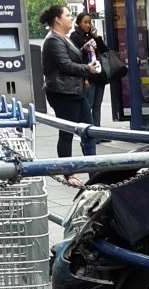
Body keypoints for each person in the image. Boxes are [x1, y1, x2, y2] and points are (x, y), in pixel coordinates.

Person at [40, 4, 99, 172]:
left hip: (75, 92)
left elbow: (70, 59)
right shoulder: (52, 39)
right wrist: (87, 69)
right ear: (57, 19)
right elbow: (65, 65)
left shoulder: (63, 38)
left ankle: (93, 170)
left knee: (89, 131)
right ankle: (67, 173)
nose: (70, 18)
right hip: (63, 93)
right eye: (67, 15)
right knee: (66, 134)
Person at [70, 13, 109, 127]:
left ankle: (98, 132)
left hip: (98, 74)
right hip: (87, 75)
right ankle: (88, 132)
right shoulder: (74, 37)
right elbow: (76, 57)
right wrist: (84, 78)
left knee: (97, 106)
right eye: (85, 22)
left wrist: (96, 37)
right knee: (89, 105)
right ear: (79, 23)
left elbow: (104, 51)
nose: (88, 25)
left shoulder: (92, 36)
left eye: (90, 22)